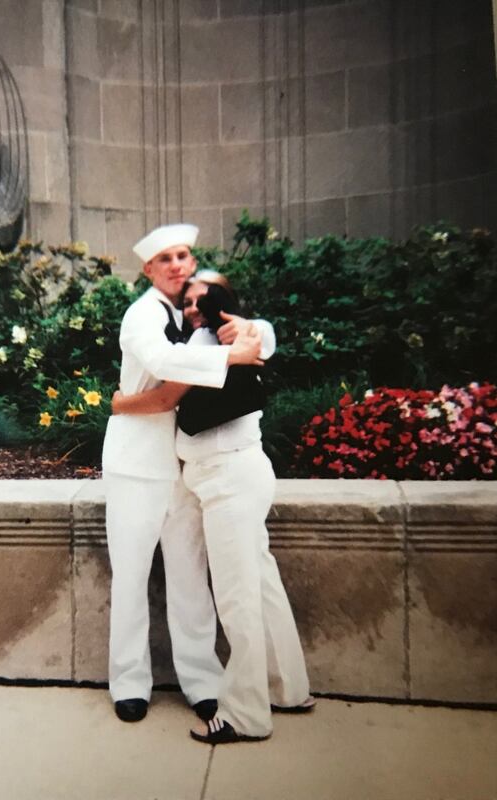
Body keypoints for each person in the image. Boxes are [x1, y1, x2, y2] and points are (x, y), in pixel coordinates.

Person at [112, 270, 315, 745]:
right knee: (259, 585)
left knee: (237, 598)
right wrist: (248, 333)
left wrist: (120, 403)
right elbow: (257, 339)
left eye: (203, 298)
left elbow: (165, 396)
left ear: (224, 301)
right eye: (187, 300)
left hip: (228, 479)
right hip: (235, 475)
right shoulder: (214, 341)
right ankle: (288, 689)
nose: (192, 307)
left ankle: (245, 715)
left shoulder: (214, 342)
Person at [101, 224, 266, 724]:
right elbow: (163, 360)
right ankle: (129, 683)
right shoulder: (142, 315)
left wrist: (251, 339)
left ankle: (202, 682)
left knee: (191, 577)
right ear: (149, 270)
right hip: (136, 463)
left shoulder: (201, 314)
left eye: (183, 256)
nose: (177, 264)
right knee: (130, 575)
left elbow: (260, 336)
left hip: (185, 465)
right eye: (165, 259)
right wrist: (229, 355)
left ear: (192, 265)